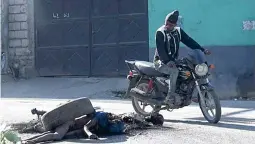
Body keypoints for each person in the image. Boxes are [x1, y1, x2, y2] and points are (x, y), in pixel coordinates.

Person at [154, 10, 211, 105]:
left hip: (173, 61)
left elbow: (189, 41)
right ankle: (170, 97)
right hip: (160, 61)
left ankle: (183, 92)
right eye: (167, 24)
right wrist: (168, 61)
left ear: (175, 24)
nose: (168, 26)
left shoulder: (178, 31)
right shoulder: (160, 32)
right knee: (174, 71)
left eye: (171, 25)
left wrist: (202, 49)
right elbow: (161, 50)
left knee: (188, 68)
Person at [21, 109, 163, 144]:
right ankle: (30, 141)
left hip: (73, 127)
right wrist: (90, 135)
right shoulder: (99, 118)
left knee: (55, 134)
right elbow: (86, 127)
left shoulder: (115, 120)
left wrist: (150, 120)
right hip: (69, 124)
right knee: (57, 136)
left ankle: (29, 141)